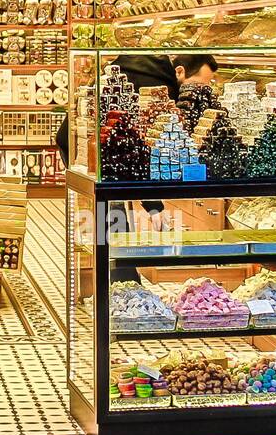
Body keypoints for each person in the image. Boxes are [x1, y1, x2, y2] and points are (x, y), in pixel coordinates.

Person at [55, 53, 219, 282]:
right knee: (111, 223)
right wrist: (154, 205)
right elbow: (139, 151)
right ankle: (120, 282)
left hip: (84, 153)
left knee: (107, 223)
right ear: (180, 72)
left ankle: (116, 281)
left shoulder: (137, 70)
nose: (202, 92)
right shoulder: (155, 90)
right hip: (98, 158)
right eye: (200, 84)